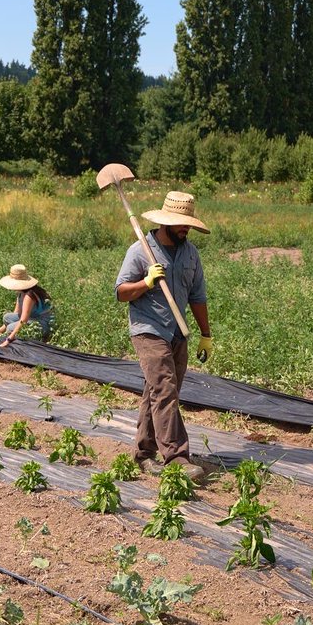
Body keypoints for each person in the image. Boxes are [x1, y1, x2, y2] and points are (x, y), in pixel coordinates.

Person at [115, 190, 213, 482]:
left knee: (157, 393)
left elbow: (197, 296)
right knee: (165, 390)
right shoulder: (141, 251)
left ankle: (144, 454)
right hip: (149, 329)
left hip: (177, 331)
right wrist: (145, 282)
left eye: (188, 224)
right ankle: (177, 457)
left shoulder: (190, 254)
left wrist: (205, 334)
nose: (185, 229)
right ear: (165, 222)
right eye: (181, 224)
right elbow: (121, 292)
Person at [0, 264, 55, 346]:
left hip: (42, 323)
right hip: (32, 318)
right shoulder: (20, 293)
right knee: (7, 317)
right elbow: (16, 313)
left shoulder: (29, 296)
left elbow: (23, 320)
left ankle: (40, 337)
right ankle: (15, 333)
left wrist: (8, 340)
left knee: (10, 329)